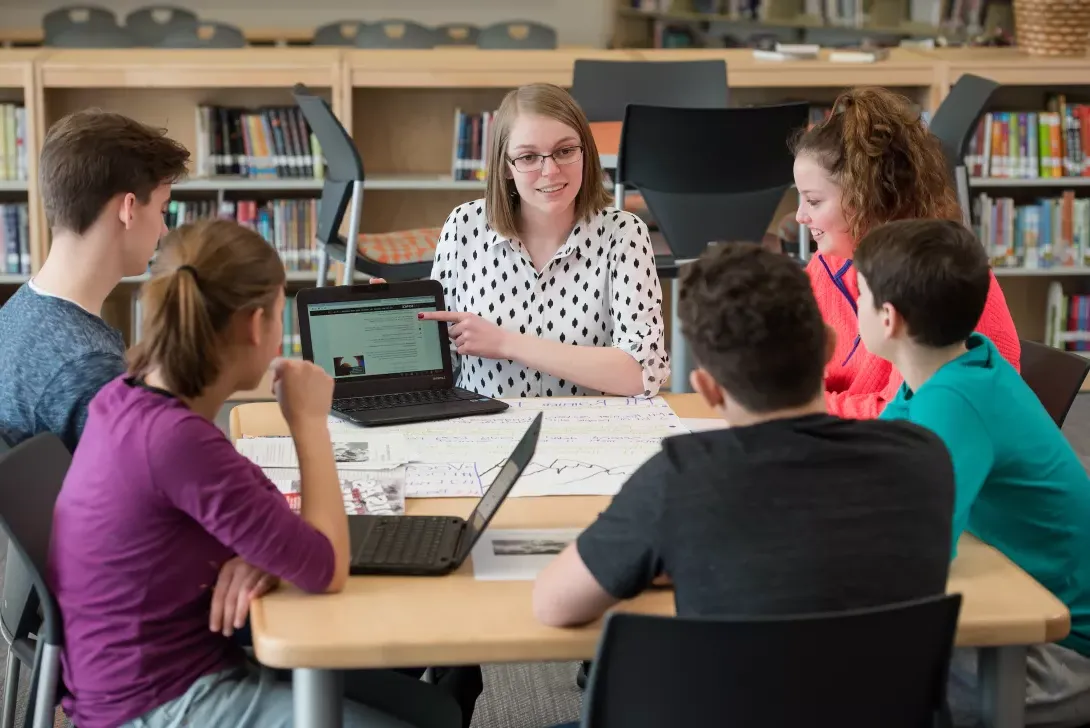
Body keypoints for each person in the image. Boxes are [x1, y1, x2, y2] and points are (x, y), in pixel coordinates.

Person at [47, 219, 461, 728]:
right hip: (158, 702)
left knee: (437, 713)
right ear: (254, 324)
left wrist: (262, 551)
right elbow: (326, 570)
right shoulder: (177, 441)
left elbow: (259, 501)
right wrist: (308, 423)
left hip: (153, 672)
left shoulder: (129, 396)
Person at [532, 243, 955, 634]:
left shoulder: (678, 480)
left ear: (707, 387)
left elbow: (555, 606)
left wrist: (678, 552)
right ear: (829, 346)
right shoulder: (925, 457)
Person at [854, 218, 1090, 727]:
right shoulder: (959, 364)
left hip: (1057, 656)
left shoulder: (956, 401)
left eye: (859, 296)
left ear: (888, 318)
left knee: (846, 669)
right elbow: (878, 462)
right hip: (1034, 612)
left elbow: (918, 549)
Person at [424, 82, 669, 399]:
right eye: (528, 157)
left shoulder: (624, 234)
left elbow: (641, 374)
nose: (550, 170)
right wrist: (396, 322)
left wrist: (506, 343)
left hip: (590, 436)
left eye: (565, 151)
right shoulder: (463, 226)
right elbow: (436, 360)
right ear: (506, 167)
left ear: (586, 153)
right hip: (484, 432)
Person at [791, 85, 1020, 420]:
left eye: (813, 201)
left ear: (866, 196)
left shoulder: (934, 281)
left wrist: (805, 407)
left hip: (931, 449)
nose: (799, 216)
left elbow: (908, 416)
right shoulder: (828, 264)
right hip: (857, 443)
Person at [0, 109, 190, 452]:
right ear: (128, 209)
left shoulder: (17, 312)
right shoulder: (87, 367)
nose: (164, 231)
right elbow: (140, 498)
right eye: (163, 210)